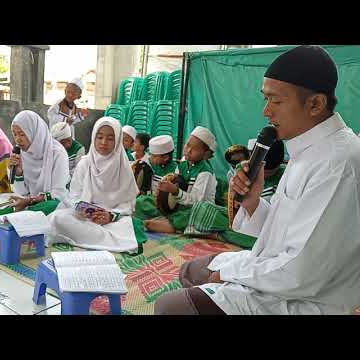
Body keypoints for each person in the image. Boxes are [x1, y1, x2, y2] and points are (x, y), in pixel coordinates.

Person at [154, 45, 360, 315]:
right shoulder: (308, 149)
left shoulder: (338, 162)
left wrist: (230, 273)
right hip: (278, 272)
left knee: (171, 307)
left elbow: (301, 272)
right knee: (192, 270)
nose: (266, 111)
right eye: (265, 99)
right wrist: (253, 203)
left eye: (275, 101)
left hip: (306, 299)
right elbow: (283, 230)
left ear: (315, 104)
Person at [47, 116, 146, 253]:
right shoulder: (85, 163)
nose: (104, 142)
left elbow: (128, 204)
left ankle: (94, 237)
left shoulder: (123, 166)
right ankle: (106, 240)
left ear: (117, 141)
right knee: (58, 218)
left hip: (112, 220)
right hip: (85, 217)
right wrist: (84, 210)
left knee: (131, 225)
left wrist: (110, 215)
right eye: (99, 137)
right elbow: (74, 195)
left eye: (110, 139)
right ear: (93, 137)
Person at [184, 139, 287, 249]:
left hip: (268, 227)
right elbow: (235, 208)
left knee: (267, 239)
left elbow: (274, 216)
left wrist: (253, 203)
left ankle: (220, 234)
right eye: (260, 170)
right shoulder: (247, 170)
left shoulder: (286, 175)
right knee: (202, 208)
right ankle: (226, 234)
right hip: (242, 217)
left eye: (268, 173)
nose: (263, 176)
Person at [143, 127, 218, 234]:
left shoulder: (205, 172)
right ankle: (166, 221)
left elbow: (196, 202)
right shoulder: (183, 162)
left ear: (205, 154)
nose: (188, 150)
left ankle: (170, 225)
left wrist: (176, 191)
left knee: (192, 216)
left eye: (195, 149)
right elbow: (176, 181)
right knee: (145, 201)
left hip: (198, 208)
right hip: (181, 203)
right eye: (187, 145)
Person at [8, 110, 69, 214]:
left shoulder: (57, 153)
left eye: (22, 134)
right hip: (28, 203)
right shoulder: (20, 154)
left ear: (34, 131)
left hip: (51, 203)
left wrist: (29, 201)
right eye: (15, 134)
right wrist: (18, 174)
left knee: (51, 207)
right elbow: (21, 193)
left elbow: (58, 194)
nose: (18, 140)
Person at [135, 135, 177, 213]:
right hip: (149, 199)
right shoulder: (150, 165)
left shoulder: (176, 171)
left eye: (154, 156)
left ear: (165, 158)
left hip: (162, 207)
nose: (150, 158)